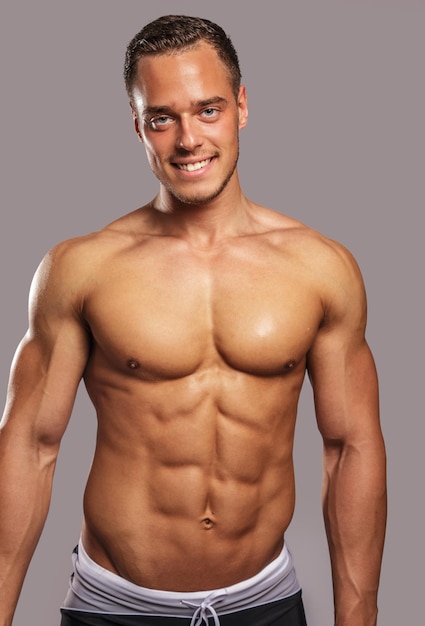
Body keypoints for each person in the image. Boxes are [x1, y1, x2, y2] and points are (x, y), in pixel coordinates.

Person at [0, 14, 387, 626]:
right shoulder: (81, 268)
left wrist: (359, 616)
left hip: (264, 604)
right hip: (115, 608)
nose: (188, 140)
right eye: (163, 118)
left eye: (208, 110)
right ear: (138, 126)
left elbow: (349, 448)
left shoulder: (321, 267)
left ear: (241, 106)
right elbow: (30, 446)